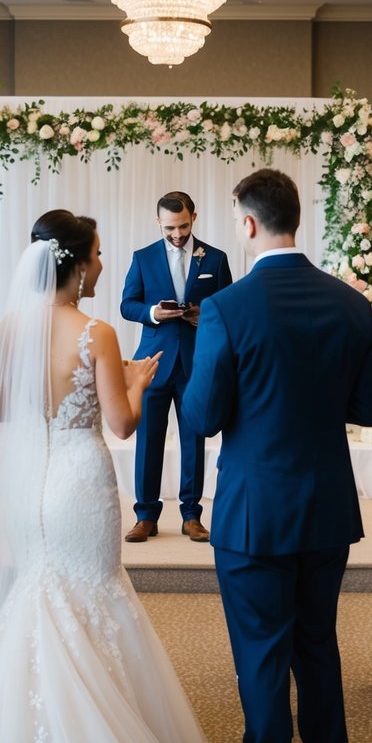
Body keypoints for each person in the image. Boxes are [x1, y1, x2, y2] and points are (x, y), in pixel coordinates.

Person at [0, 210, 215, 743]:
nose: (102, 263)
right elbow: (121, 425)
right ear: (75, 264)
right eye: (96, 253)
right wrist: (137, 382)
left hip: (31, 487)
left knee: (39, 591)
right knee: (92, 592)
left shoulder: (13, 326)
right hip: (78, 481)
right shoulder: (97, 332)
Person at [182, 169, 372, 743]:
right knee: (317, 638)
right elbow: (368, 407)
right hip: (325, 504)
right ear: (295, 218)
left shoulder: (226, 307)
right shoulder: (351, 303)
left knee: (262, 649)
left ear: (247, 224)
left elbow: (202, 417)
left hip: (254, 510)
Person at [120, 191, 232, 543]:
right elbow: (127, 305)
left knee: (194, 439)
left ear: (193, 218)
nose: (177, 234)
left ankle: (191, 515)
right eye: (169, 228)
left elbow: (228, 306)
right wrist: (154, 313)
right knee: (148, 440)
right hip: (152, 363)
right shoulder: (143, 258)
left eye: (183, 226)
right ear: (158, 222)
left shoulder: (215, 258)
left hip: (196, 362)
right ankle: (145, 515)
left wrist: (204, 316)